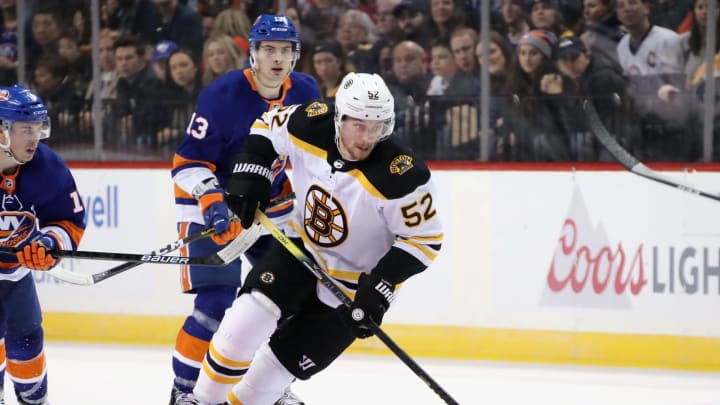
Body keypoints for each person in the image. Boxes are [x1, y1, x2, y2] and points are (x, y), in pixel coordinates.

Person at [191, 71, 443, 405]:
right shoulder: (310, 122)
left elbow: (424, 240)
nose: (368, 137)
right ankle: (201, 400)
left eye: (378, 127)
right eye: (359, 125)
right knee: (239, 330)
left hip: (353, 288)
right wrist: (252, 170)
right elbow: (267, 125)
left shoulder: (403, 174)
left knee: (262, 386)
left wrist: (381, 286)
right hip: (301, 252)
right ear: (340, 118)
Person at [169, 14, 320, 405]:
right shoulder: (221, 96)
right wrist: (214, 203)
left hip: (268, 209)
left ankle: (268, 389)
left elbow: (309, 158)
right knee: (215, 306)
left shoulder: (306, 91)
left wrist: (291, 195)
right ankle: (184, 392)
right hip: (211, 205)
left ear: (295, 56)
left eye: (286, 50)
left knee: (283, 299)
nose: (277, 58)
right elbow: (186, 164)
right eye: (268, 49)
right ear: (252, 53)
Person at [0, 85, 86, 404]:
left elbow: (69, 221)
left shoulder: (47, 167)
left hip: (15, 278)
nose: (34, 138)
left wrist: (49, 244)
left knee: (27, 346)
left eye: (38, 129)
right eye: (25, 129)